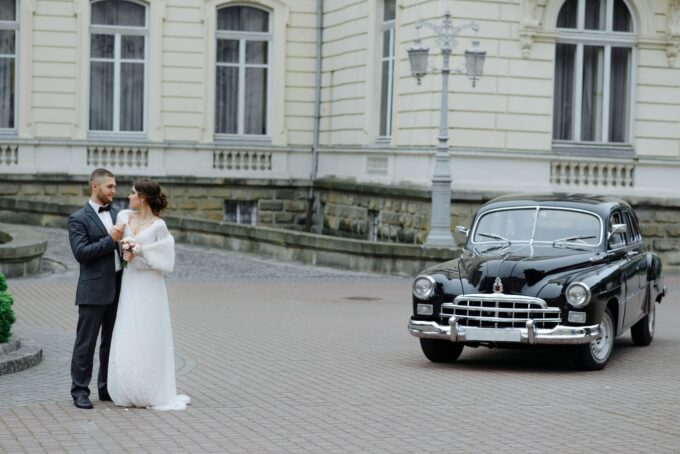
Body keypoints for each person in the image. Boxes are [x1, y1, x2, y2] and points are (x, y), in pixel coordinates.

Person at [107, 178, 190, 410]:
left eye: (133, 193)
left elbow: (164, 261)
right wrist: (122, 249)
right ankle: (129, 388)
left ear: (142, 197)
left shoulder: (159, 226)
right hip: (130, 282)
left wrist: (138, 251)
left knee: (149, 333)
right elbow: (115, 241)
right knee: (128, 330)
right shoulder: (124, 216)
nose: (129, 196)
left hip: (150, 286)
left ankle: (151, 389)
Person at [68, 168, 125, 409]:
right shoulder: (78, 218)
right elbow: (81, 253)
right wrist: (110, 240)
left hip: (119, 288)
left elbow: (120, 248)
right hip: (92, 291)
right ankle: (80, 391)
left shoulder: (118, 215)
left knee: (110, 343)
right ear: (95, 186)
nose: (114, 191)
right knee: (86, 344)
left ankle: (106, 388)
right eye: (110, 187)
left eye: (114, 186)